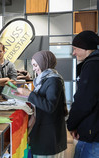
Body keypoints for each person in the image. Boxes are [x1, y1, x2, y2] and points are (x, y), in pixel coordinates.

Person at [16, 50, 68, 157]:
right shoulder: (44, 79)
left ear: (44, 63)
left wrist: (29, 94)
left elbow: (49, 106)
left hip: (49, 135)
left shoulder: (53, 80)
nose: (34, 68)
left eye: (35, 65)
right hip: (44, 132)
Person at [67, 30, 99, 158]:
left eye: (75, 48)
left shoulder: (92, 65)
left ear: (86, 49)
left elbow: (84, 101)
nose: (73, 53)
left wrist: (71, 124)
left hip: (92, 136)